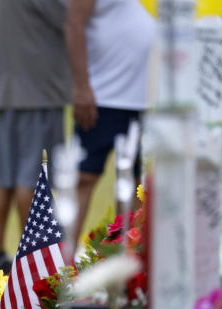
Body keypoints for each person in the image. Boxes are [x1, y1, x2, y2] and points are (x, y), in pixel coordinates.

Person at [0, 0, 70, 272]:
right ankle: (33, 255)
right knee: (32, 178)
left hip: (3, 89)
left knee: (2, 178)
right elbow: (68, 20)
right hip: (39, 91)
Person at [64, 0, 154, 244]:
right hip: (102, 96)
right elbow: (74, 22)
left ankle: (129, 261)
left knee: (140, 185)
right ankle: (61, 265)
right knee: (83, 178)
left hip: (153, 100)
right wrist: (81, 86)